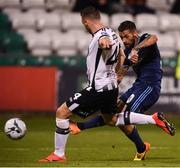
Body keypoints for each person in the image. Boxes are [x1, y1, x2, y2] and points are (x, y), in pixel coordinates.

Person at [39, 9, 175, 162]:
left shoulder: (143, 39)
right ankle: (142, 147)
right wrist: (118, 76)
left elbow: (154, 38)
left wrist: (136, 49)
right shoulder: (127, 49)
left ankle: (153, 122)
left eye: (127, 36)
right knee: (116, 116)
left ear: (134, 33)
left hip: (149, 87)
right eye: (122, 37)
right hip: (137, 85)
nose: (124, 40)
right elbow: (123, 67)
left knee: (124, 117)